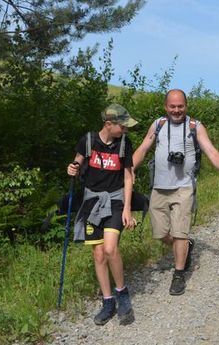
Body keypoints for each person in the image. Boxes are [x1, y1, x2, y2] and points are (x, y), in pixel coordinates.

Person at [132, 89, 219, 296]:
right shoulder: (158, 124)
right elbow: (143, 148)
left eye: (180, 106)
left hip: (184, 187)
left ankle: (178, 273)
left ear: (186, 106)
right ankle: (186, 246)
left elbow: (211, 151)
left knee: (180, 232)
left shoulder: (195, 127)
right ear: (166, 107)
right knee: (160, 233)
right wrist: (130, 170)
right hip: (159, 188)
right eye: (172, 106)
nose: (176, 110)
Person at [66, 103, 138, 325]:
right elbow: (76, 163)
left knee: (110, 248)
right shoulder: (88, 140)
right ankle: (108, 302)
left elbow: (128, 177)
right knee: (98, 254)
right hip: (92, 201)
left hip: (115, 200)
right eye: (122, 127)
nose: (125, 130)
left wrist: (127, 208)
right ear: (109, 124)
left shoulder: (124, 144)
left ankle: (122, 293)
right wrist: (71, 168)